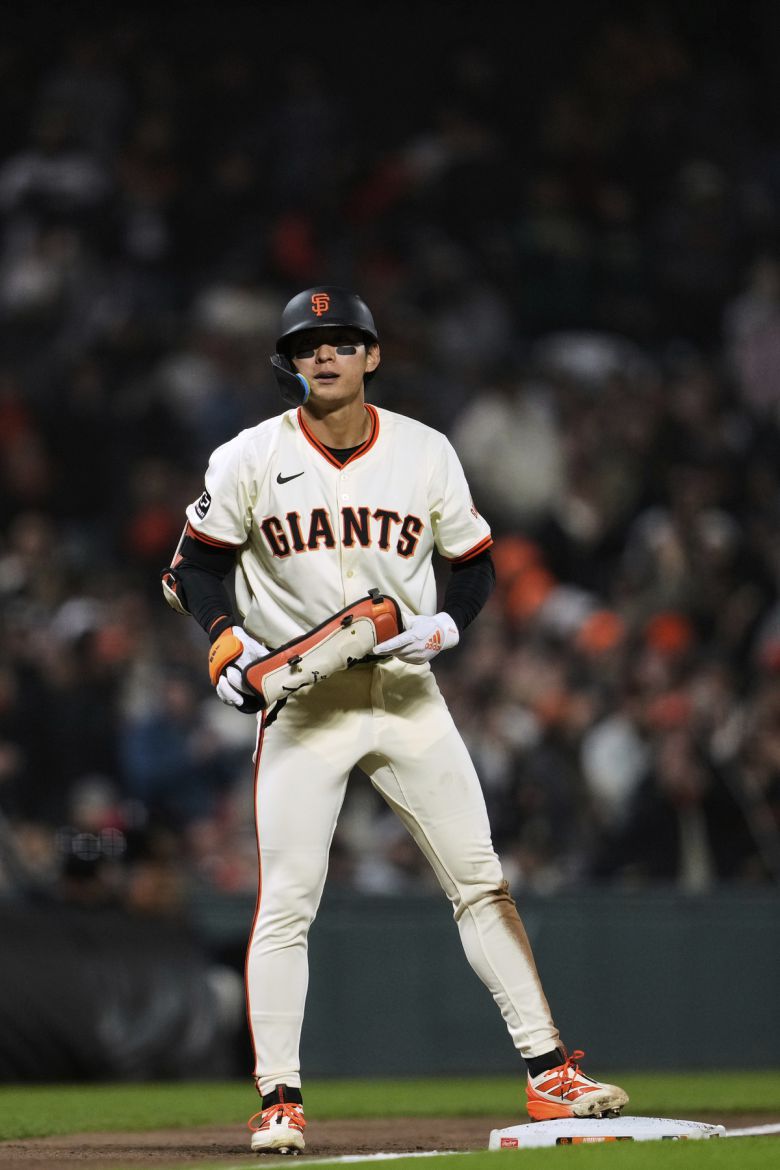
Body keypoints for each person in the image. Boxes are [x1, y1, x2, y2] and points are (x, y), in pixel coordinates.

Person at [162, 286, 628, 1153]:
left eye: (342, 341)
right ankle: (279, 1100)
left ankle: (549, 1074)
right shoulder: (250, 454)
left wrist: (448, 623)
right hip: (303, 704)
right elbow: (192, 568)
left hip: (407, 696)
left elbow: (475, 563)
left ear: (372, 355)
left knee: (480, 882)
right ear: (289, 363)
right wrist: (224, 640)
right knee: (287, 904)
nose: (325, 355)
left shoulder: (424, 450)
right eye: (308, 344)